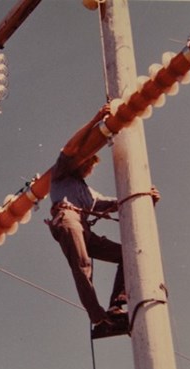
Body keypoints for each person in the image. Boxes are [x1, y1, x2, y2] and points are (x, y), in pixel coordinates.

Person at [48, 106, 160, 326]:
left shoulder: (88, 193)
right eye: (87, 163)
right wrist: (95, 120)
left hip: (84, 227)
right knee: (82, 265)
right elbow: (71, 147)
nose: (89, 168)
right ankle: (98, 318)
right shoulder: (61, 173)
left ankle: (116, 305)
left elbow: (115, 203)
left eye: (90, 166)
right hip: (68, 219)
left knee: (126, 255)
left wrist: (146, 197)